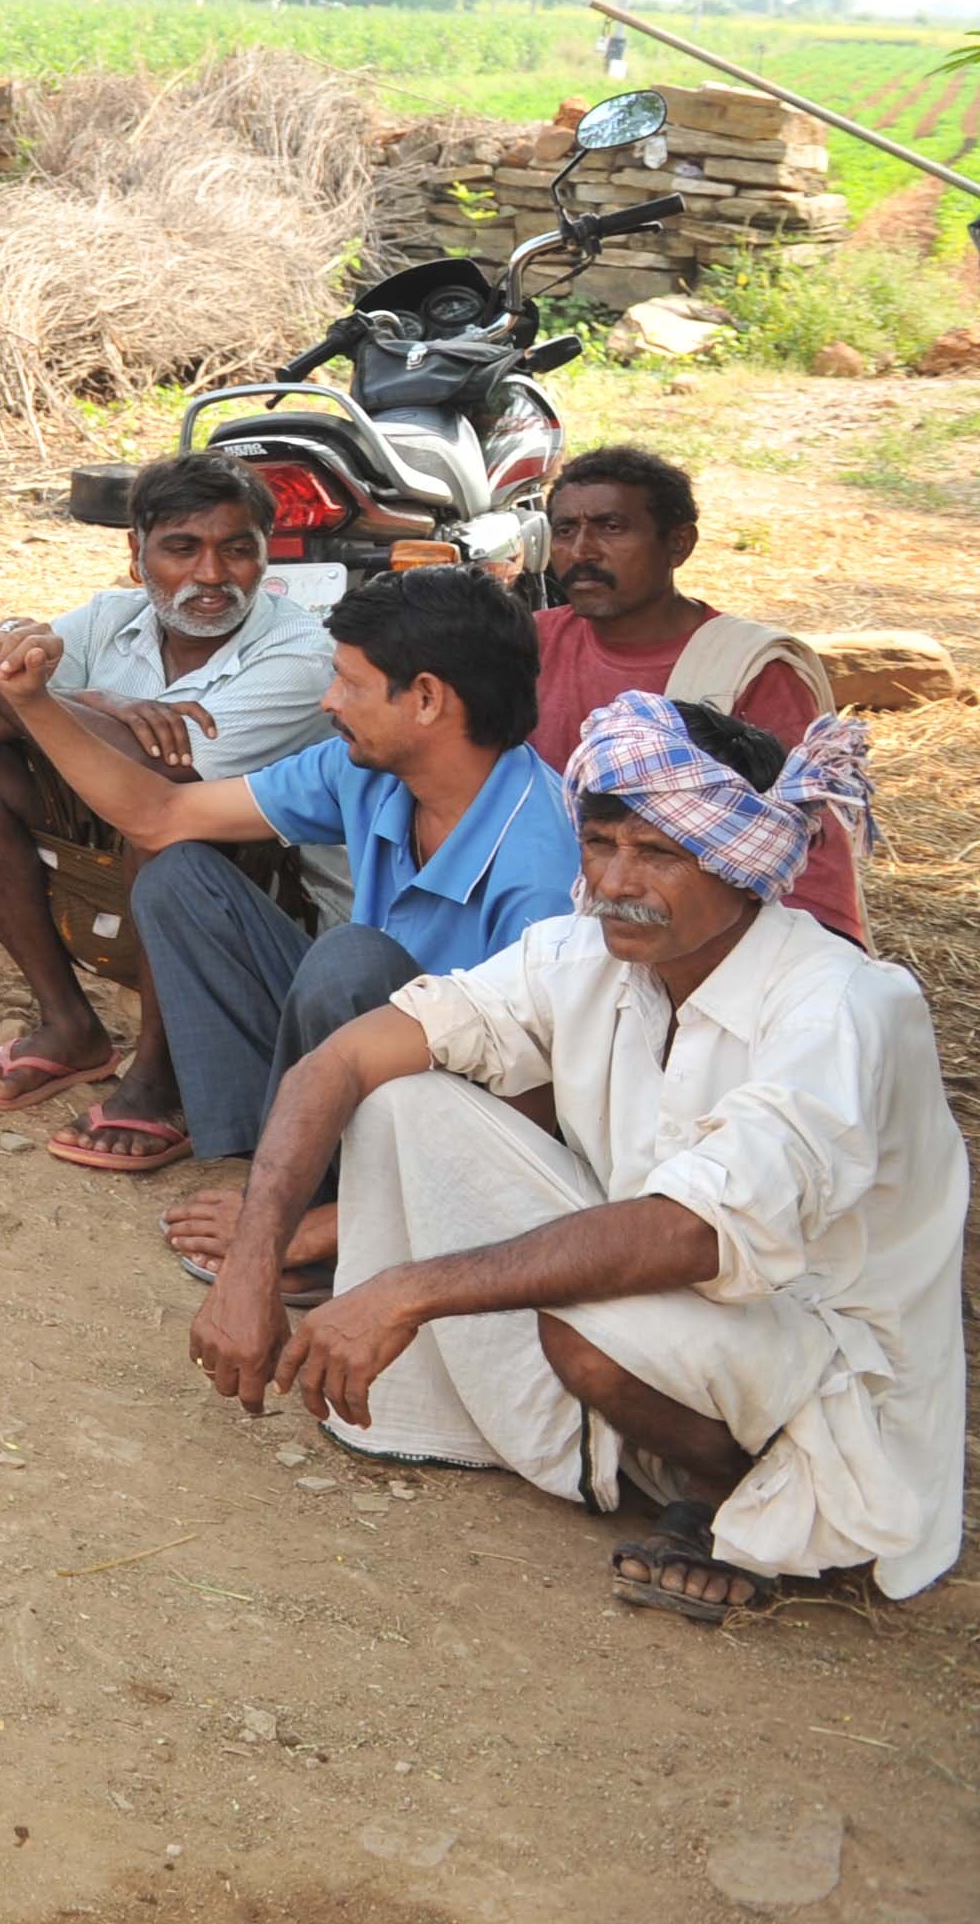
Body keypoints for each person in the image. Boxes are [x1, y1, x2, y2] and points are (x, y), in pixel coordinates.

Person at [191, 694, 959, 1624]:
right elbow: (343, 1059)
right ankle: (467, 1420)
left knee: (587, 1330)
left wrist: (406, 1290)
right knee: (398, 1093)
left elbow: (691, 1234)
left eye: (660, 852)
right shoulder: (587, 952)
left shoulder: (840, 1004)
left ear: (743, 862)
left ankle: (737, 1486)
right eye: (600, 844)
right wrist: (252, 1262)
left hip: (822, 1349)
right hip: (659, 1289)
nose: (614, 881)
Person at [0, 564, 577, 1179]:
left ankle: (317, 1193)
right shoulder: (363, 770)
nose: (328, 701)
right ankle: (262, 1150)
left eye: (348, 682)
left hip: (453, 1115)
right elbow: (160, 815)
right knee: (180, 878)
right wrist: (33, 703)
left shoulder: (544, 870)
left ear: (425, 698)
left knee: (353, 960)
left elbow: (529, 1103)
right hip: (356, 1051)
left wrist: (327, 1221)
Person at [0, 451, 338, 1147]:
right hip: (118, 853)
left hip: (268, 908)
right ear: (135, 552)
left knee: (172, 829)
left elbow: (170, 782)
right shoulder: (111, 617)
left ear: (268, 558)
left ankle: (160, 1071)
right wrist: (92, 699)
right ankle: (70, 1025)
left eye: (238, 551)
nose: (211, 576)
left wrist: (36, 698)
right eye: (182, 548)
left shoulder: (302, 653)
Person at [531, 446, 860, 941]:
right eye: (565, 531)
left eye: (611, 527)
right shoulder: (533, 644)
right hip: (540, 926)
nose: (581, 552)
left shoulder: (747, 669)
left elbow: (806, 858)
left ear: (679, 544)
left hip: (686, 944)